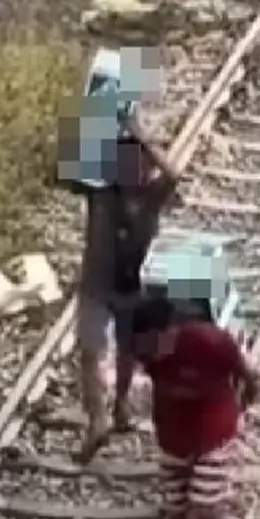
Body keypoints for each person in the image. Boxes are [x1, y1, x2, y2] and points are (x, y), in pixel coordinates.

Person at [130, 294, 260, 519]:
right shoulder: (145, 353)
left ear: (171, 331)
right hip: (172, 436)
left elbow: (250, 376)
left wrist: (240, 408)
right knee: (175, 509)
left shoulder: (211, 342)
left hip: (213, 433)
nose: (151, 354)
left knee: (204, 505)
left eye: (155, 343)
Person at [77, 116, 178, 463]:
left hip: (128, 285)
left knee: (126, 351)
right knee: (91, 352)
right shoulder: (101, 193)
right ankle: (98, 420)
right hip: (97, 285)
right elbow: (74, 165)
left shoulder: (152, 196)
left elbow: (175, 174)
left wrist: (144, 139)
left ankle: (119, 406)